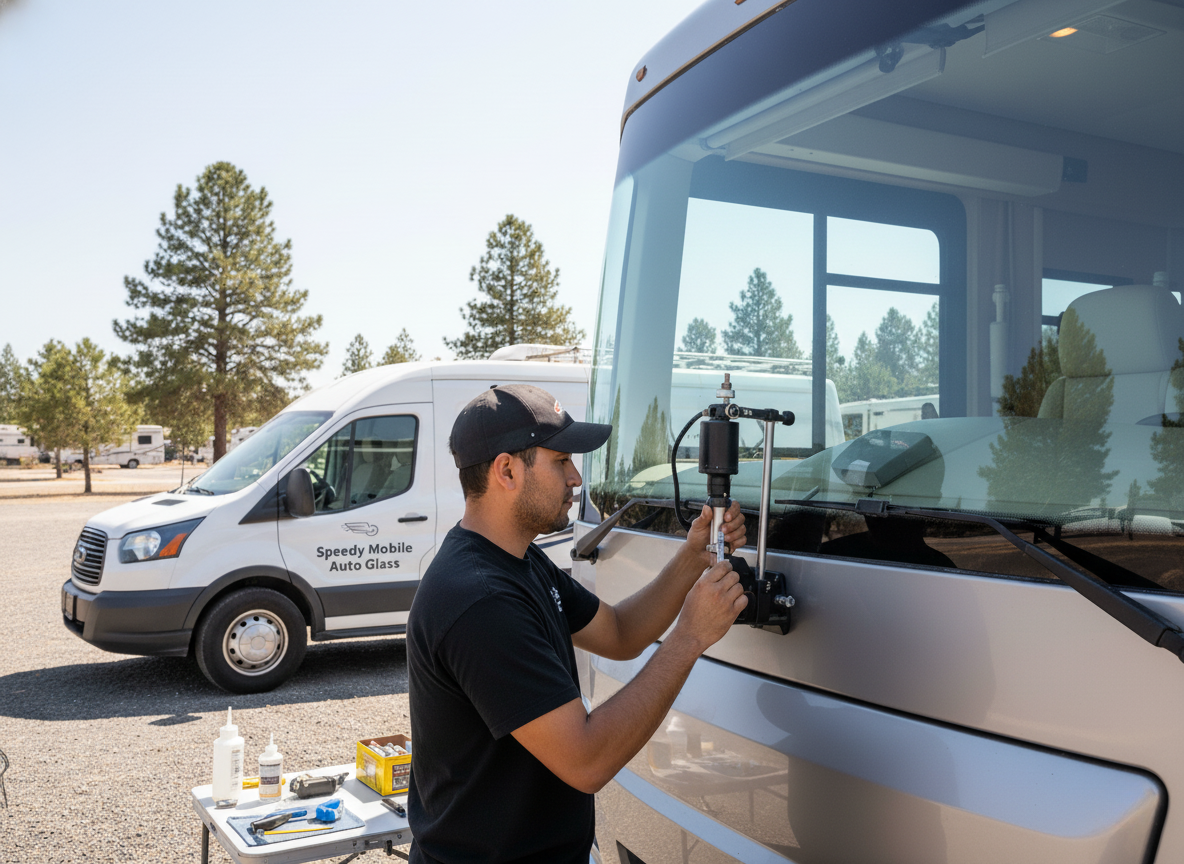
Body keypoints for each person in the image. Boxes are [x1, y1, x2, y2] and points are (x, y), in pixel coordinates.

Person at [406, 384, 748, 864]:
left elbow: (620, 632)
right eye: (562, 461)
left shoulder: (518, 560)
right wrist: (689, 637)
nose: (575, 478)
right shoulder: (480, 599)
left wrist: (692, 556)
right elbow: (587, 760)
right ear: (507, 470)